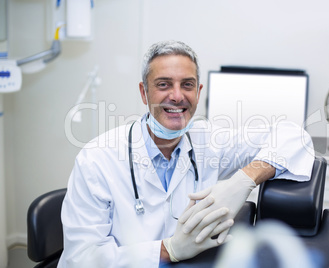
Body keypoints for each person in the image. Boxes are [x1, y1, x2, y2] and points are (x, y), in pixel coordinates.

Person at [58, 40, 315, 268]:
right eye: (163, 84)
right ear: (143, 92)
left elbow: (294, 137)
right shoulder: (97, 159)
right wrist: (167, 250)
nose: (177, 96)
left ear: (198, 92)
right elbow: (81, 259)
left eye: (187, 85)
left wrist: (244, 180)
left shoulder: (209, 141)